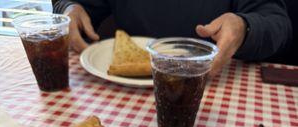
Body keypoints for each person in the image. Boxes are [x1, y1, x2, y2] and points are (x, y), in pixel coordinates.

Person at [52, 0, 292, 76]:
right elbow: (75, 4)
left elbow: (277, 21)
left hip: (207, 90)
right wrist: (68, 8)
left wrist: (245, 26)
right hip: (117, 98)